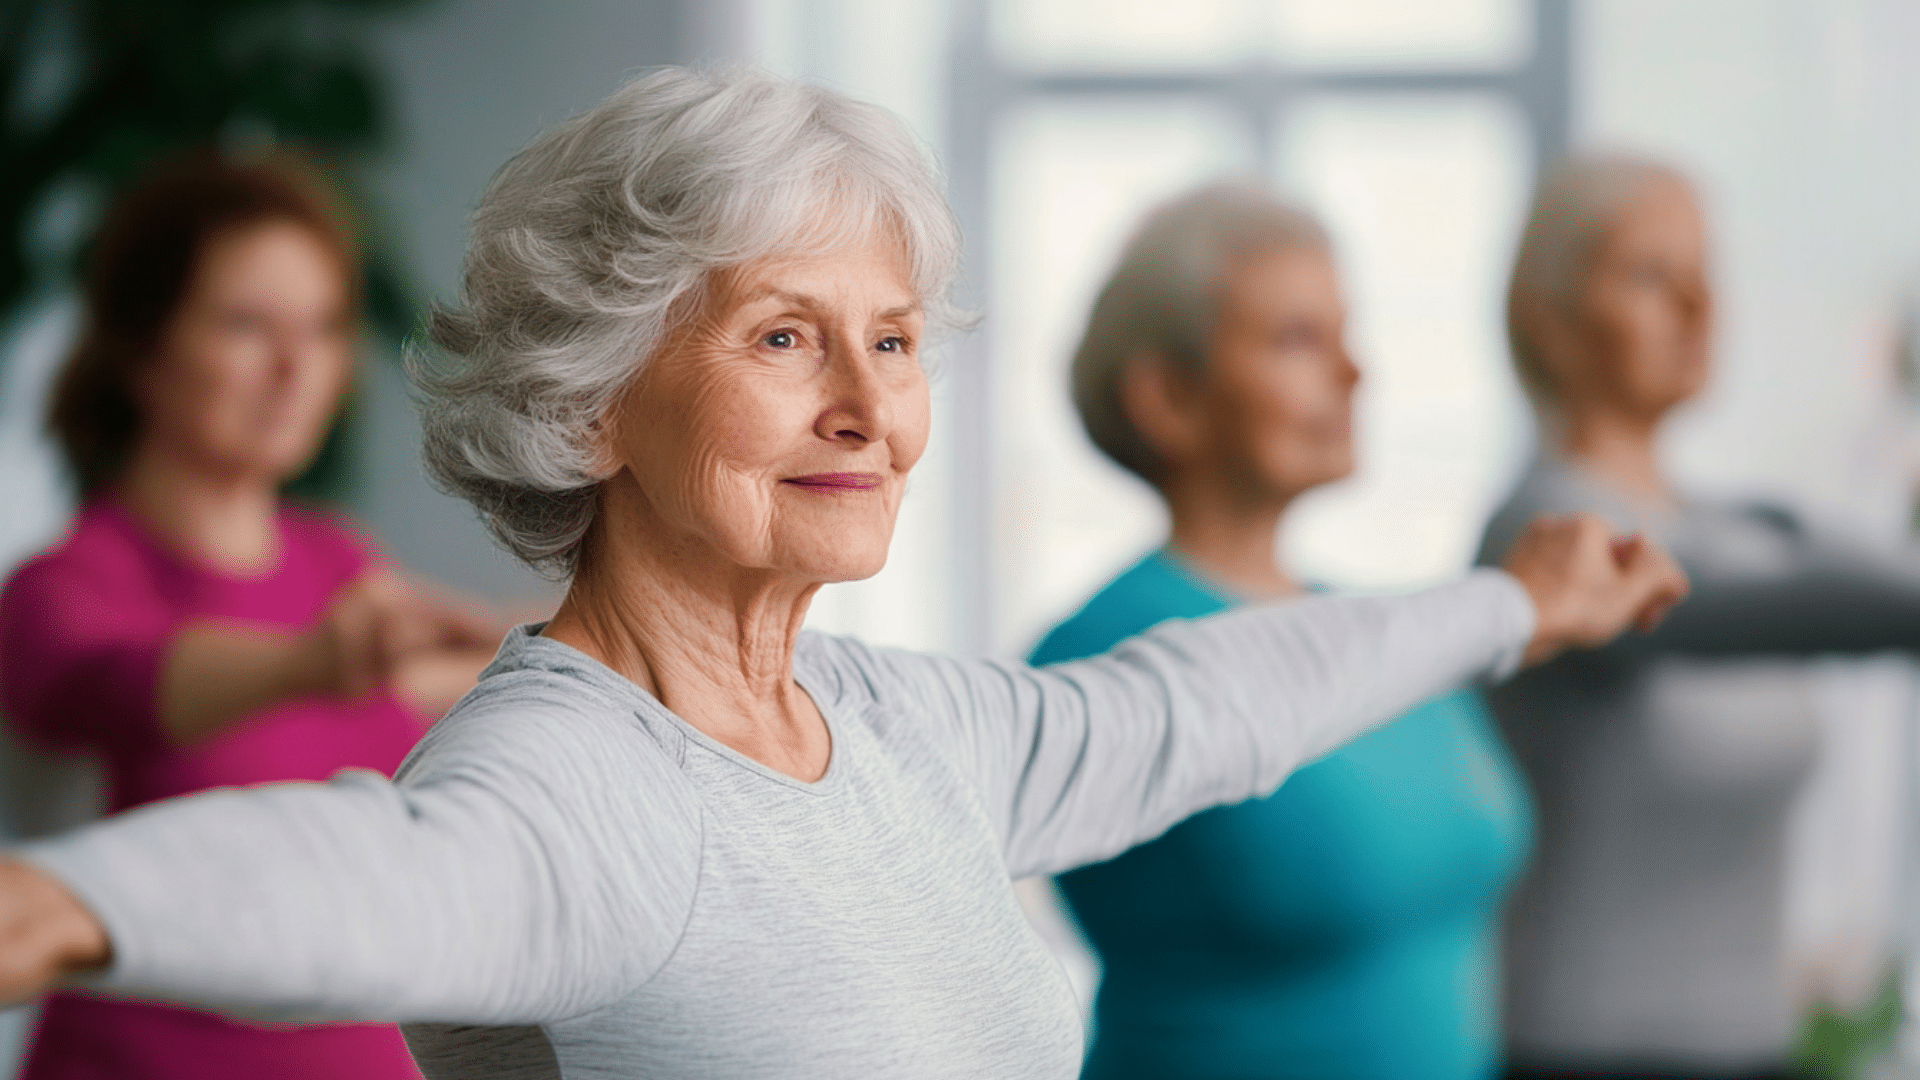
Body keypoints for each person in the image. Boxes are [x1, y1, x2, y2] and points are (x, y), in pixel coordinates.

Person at [0, 69, 1684, 1080]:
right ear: (590, 400)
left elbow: (1210, 700)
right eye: (789, 337)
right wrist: (78, 906)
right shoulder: (577, 780)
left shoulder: (899, 733)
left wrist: (1515, 604)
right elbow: (374, 870)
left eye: (892, 338)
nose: (871, 409)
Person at [0, 153, 503, 1080]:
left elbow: (415, 683)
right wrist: (314, 662)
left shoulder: (338, 560)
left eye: (320, 328)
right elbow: (124, 681)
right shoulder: (61, 586)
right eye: (246, 326)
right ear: (143, 351)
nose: (295, 368)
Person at [1029, 182, 1530, 1080]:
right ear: (1168, 396)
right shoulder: (1104, 654)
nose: (1354, 372)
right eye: (1297, 339)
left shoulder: (1381, 630)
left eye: (1344, 332)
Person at [1479, 151, 1920, 1080]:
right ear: (1548, 320)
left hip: (1757, 1047)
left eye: (1703, 274)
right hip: (1582, 1055)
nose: (1698, 308)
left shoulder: (1741, 526)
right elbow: (1774, 601)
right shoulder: (1547, 538)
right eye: (1648, 275)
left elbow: (1862, 577)